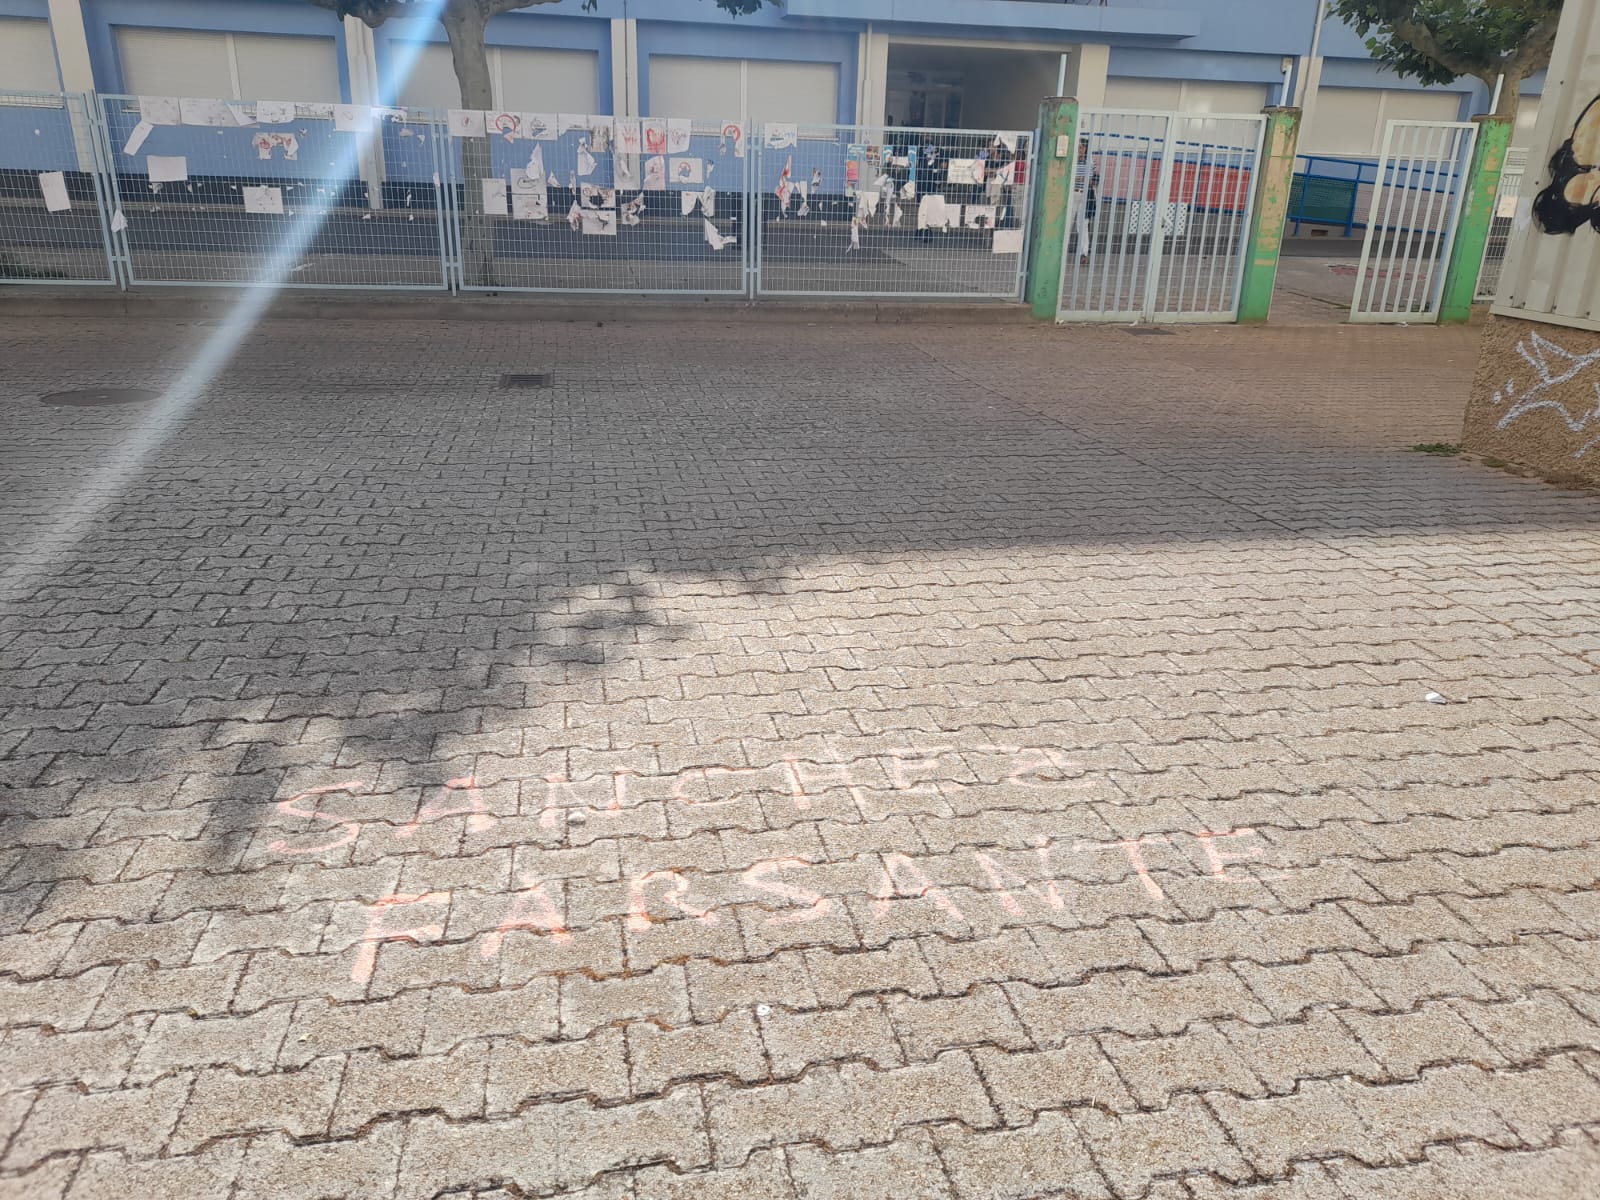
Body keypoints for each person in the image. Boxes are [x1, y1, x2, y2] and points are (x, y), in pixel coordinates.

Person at [1073, 138, 1099, 266]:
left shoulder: (1090, 161)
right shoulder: (1072, 160)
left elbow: (1091, 180)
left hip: (1084, 194)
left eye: (1082, 147)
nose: (1080, 150)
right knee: (1066, 224)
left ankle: (1084, 253)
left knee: (1082, 225)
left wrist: (1079, 178)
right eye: (1078, 147)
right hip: (1073, 194)